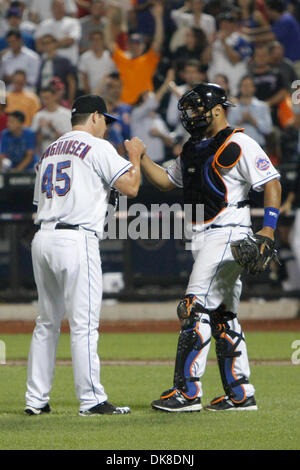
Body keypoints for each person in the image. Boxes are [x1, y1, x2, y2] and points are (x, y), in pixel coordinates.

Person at [140, 83, 281, 412]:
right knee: (223, 316)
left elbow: (271, 182)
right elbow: (166, 180)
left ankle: (187, 392)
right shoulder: (192, 148)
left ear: (217, 109)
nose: (190, 115)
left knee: (193, 307)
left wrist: (269, 231)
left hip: (227, 233)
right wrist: (142, 157)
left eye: (196, 109)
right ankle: (240, 392)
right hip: (204, 236)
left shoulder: (239, 142)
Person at [25, 94, 145, 416]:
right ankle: (91, 400)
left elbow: (40, 202)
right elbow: (131, 186)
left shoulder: (50, 149)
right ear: (94, 117)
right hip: (76, 240)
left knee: (46, 323)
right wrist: (134, 155)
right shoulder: (98, 146)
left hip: (44, 237)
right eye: (106, 120)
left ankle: (35, 401)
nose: (107, 127)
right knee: (84, 325)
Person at [104, 1, 163, 105]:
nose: (134, 46)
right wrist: (109, 19)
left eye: (137, 44)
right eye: (131, 44)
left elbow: (158, 41)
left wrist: (158, 18)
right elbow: (109, 42)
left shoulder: (148, 59)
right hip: (124, 104)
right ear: (128, 46)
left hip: (144, 105)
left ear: (142, 46)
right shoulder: (122, 58)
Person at [204, 10, 252, 97]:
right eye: (222, 23)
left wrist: (224, 42)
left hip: (235, 85)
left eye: (228, 22)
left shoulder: (239, 40)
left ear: (234, 25)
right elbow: (204, 60)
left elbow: (235, 60)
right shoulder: (213, 40)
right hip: (215, 84)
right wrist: (211, 44)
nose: (224, 25)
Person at [227, 75, 272, 148]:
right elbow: (228, 130)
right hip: (238, 147)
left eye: (248, 85)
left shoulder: (263, 106)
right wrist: (241, 121)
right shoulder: (234, 108)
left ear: (254, 88)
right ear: (240, 88)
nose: (246, 88)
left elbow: (268, 129)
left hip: (259, 146)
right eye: (244, 85)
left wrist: (253, 120)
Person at [35, 0, 82, 66]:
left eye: (61, 6)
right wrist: (62, 42)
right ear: (52, 9)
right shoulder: (44, 24)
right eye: (56, 7)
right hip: (49, 64)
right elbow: (39, 46)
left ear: (65, 8)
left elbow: (71, 40)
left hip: (70, 63)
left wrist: (48, 44)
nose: (59, 9)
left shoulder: (73, 22)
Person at [36, 34, 77, 106]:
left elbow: (71, 82)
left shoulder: (64, 61)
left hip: (60, 100)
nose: (46, 45)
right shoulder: (42, 61)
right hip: (44, 100)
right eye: (44, 43)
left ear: (55, 44)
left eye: (48, 43)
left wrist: (70, 100)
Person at [31, 86, 72, 155]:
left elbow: (68, 139)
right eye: (42, 98)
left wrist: (51, 127)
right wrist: (39, 129)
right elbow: (33, 140)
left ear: (55, 96)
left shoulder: (67, 114)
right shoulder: (38, 116)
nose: (44, 101)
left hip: (62, 151)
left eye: (47, 98)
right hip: (44, 151)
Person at [78, 30, 117, 94]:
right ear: (90, 41)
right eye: (93, 40)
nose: (96, 42)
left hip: (109, 93)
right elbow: (84, 78)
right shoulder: (85, 57)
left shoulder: (110, 56)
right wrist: (89, 94)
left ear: (103, 41)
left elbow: (114, 76)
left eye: (98, 39)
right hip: (92, 93)